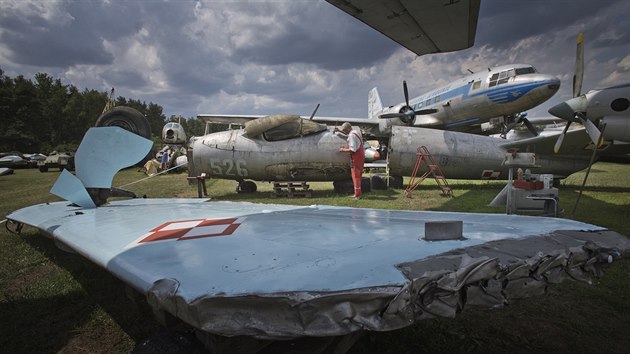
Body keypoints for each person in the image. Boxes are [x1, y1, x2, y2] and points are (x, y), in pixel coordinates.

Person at [337, 122, 365, 199]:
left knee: (355, 176)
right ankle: (357, 193)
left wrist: (343, 149)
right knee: (358, 176)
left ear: (348, 128)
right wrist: (340, 131)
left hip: (356, 157)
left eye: (345, 130)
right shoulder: (355, 132)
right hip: (360, 155)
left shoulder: (352, 135)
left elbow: (353, 150)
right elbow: (348, 134)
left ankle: (357, 195)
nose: (344, 131)